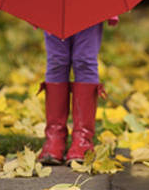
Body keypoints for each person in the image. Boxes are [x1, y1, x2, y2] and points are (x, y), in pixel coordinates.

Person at [36, 15, 119, 165]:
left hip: (90, 3)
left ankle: (83, 139)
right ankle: (54, 137)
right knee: (56, 61)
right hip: (53, 6)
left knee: (85, 60)